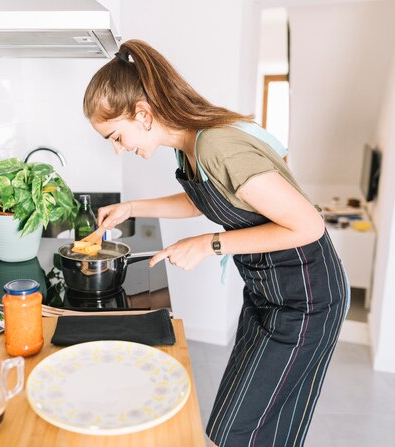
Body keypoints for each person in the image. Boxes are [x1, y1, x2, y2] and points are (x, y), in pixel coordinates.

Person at [83, 39, 349, 447]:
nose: (120, 149)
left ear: (143, 113)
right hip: (268, 293)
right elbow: (202, 199)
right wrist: (132, 207)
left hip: (307, 299)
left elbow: (308, 226)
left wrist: (210, 244)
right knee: (238, 425)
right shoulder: (189, 147)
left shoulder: (215, 145)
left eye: (116, 136)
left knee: (244, 431)